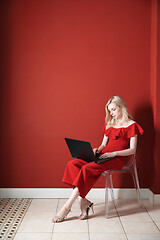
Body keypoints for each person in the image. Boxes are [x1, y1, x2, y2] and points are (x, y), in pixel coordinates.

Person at [52, 96, 144, 223]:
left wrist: (114, 154)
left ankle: (67, 207)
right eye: (109, 111)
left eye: (113, 110)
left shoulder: (132, 125)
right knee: (72, 164)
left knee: (87, 168)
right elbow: (103, 145)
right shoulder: (109, 124)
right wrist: (97, 150)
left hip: (118, 158)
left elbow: (132, 150)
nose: (111, 113)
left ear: (121, 107)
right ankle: (83, 201)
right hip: (103, 156)